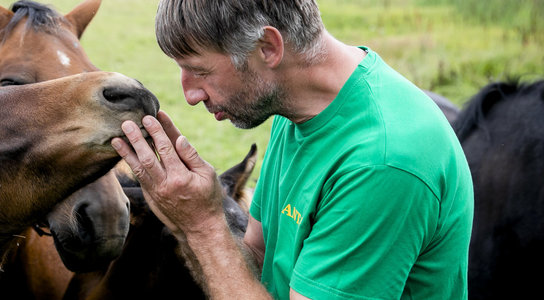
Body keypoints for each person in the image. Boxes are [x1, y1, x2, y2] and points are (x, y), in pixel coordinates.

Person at [110, 0, 474, 299]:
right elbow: (258, 255)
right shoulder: (298, 109)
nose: (190, 94)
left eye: (200, 71)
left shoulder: (382, 162)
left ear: (268, 47)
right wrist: (194, 215)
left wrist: (203, 226)